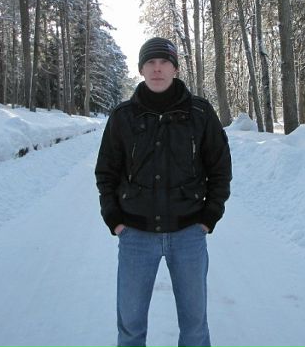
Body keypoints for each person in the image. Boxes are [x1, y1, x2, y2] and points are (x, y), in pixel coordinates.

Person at [95, 37, 232, 347]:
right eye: (151, 63)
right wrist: (114, 218)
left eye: (164, 62)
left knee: (195, 327)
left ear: (175, 69)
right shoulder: (123, 116)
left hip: (188, 234)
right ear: (141, 69)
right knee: (130, 328)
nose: (157, 69)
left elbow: (220, 167)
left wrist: (209, 215)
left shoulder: (200, 113)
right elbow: (106, 172)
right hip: (135, 236)